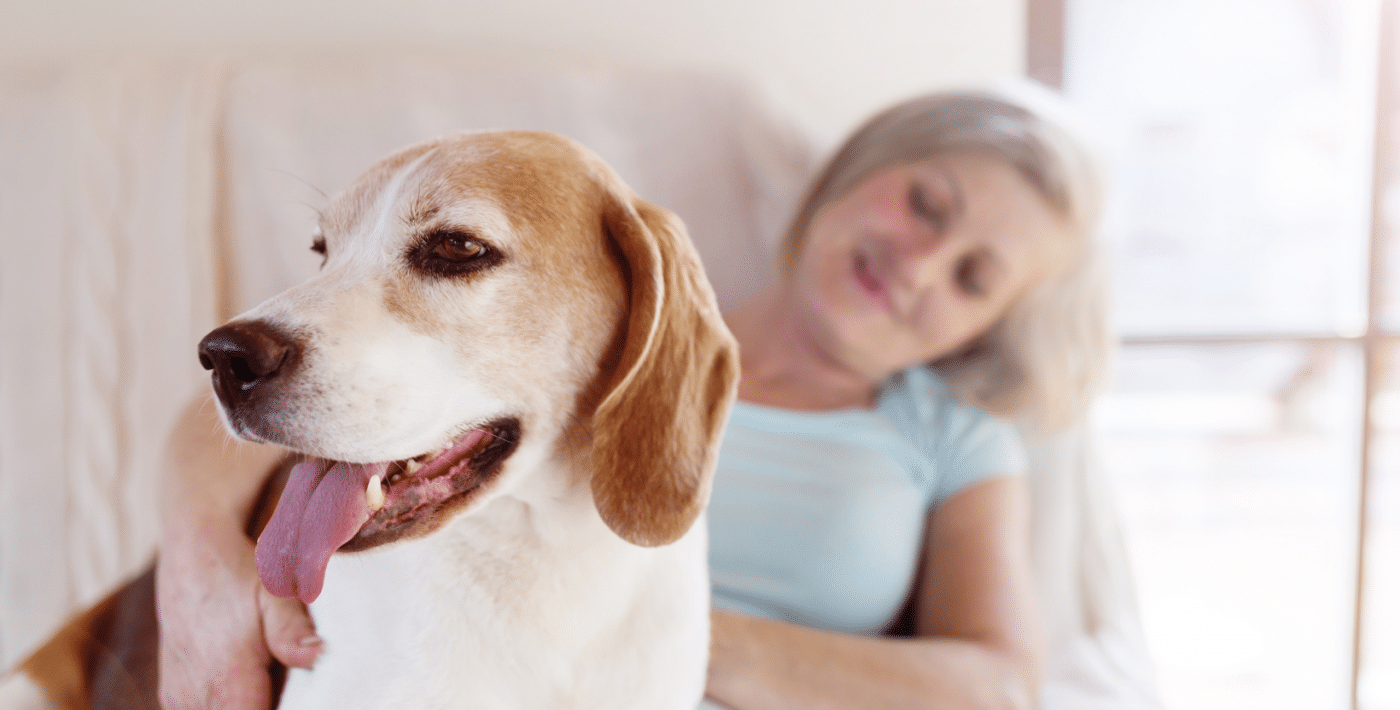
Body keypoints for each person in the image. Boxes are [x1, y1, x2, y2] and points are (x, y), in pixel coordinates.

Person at [154, 87, 1109, 710]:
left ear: (984, 327)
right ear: (857, 172)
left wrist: (643, 642)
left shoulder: (949, 433)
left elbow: (997, 683)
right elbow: (264, 414)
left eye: (975, 275)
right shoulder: (619, 304)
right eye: (925, 205)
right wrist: (198, 557)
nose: (919, 261)